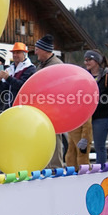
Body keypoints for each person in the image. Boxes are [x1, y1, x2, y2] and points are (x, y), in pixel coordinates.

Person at [31, 34, 65, 169]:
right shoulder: (42, 65)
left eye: (37, 49)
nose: (35, 52)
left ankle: (56, 169)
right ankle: (45, 167)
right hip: (42, 110)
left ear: (45, 50)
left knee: (55, 141)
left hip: (53, 111)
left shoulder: (57, 66)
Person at [85, 51, 108, 165]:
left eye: (89, 60)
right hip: (87, 116)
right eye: (85, 60)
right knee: (83, 145)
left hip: (102, 116)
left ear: (96, 61)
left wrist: (98, 103)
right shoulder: (85, 75)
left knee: (99, 145)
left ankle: (101, 169)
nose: (86, 62)